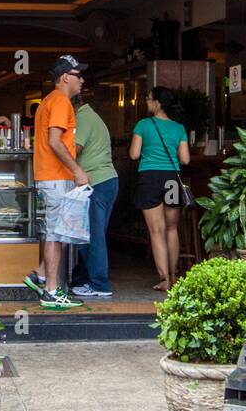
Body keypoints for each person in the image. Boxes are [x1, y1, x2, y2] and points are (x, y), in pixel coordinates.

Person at [24, 55, 88, 310]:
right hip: (57, 176)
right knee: (55, 233)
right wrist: (77, 171)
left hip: (50, 176)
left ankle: (40, 275)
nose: (82, 80)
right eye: (78, 75)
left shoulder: (49, 101)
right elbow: (54, 141)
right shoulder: (61, 101)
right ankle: (50, 291)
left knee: (58, 232)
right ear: (65, 77)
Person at [130, 86, 189, 292]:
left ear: (158, 103)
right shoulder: (179, 128)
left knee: (156, 231)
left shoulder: (143, 125)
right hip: (172, 178)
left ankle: (164, 279)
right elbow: (185, 159)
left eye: (148, 99)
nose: (146, 103)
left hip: (150, 178)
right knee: (172, 229)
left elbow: (134, 154)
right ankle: (173, 276)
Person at [69, 86, 118, 297]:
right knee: (91, 235)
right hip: (105, 181)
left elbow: (73, 149)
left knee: (92, 236)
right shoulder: (91, 116)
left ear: (71, 105)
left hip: (97, 182)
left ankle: (100, 284)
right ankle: (84, 278)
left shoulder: (84, 119)